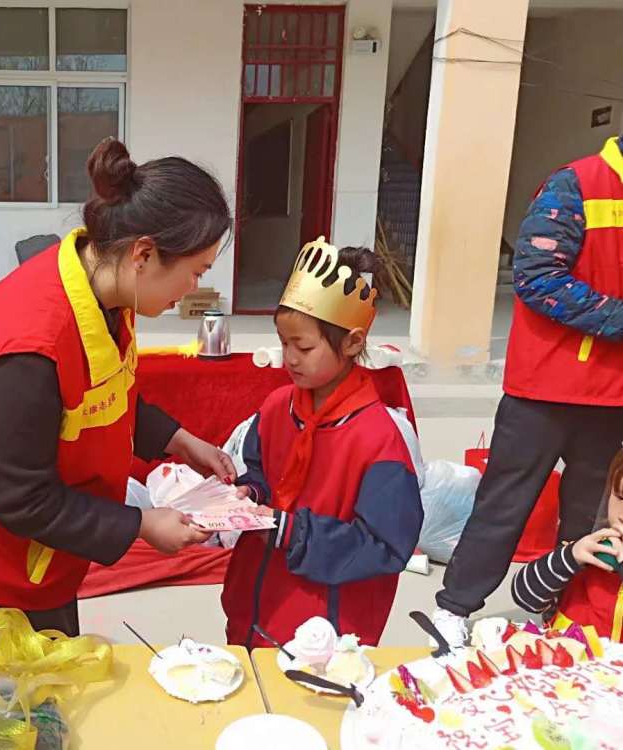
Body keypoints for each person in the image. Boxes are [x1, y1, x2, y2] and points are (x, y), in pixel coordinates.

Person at [0, 138, 236, 635]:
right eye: (196, 272)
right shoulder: (27, 349)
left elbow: (103, 388)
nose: (193, 289)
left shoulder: (104, 283)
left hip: (45, 539)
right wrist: (142, 526)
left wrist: (180, 442)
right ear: (144, 254)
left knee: (49, 677)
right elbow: (22, 499)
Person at [431, 137, 623, 648]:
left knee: (587, 517)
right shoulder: (578, 184)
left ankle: (558, 613)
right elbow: (537, 277)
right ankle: (455, 608)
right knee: (505, 504)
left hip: (613, 396)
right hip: (543, 387)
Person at [221, 241, 423, 648]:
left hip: (324, 626)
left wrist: (292, 532)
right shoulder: (278, 407)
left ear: (351, 343)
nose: (290, 358)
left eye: (305, 347)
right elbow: (260, 467)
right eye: (284, 343)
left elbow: (385, 545)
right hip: (257, 602)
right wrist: (251, 491)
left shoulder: (380, 438)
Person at [511, 447, 623, 640]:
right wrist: (570, 557)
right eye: (620, 497)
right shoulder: (590, 549)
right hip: (569, 661)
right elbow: (524, 596)